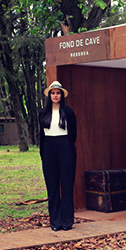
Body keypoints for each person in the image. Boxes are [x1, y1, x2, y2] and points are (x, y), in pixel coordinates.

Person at [39, 81, 77, 232]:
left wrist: (67, 149)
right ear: (49, 95)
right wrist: (43, 153)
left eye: (58, 93)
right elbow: (41, 135)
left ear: (62, 95)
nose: (55, 96)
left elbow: (73, 134)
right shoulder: (43, 113)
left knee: (66, 184)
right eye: (53, 93)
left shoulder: (68, 112)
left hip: (65, 148)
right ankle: (55, 221)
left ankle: (67, 221)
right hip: (48, 148)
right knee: (52, 186)